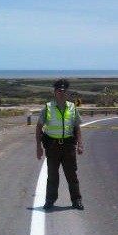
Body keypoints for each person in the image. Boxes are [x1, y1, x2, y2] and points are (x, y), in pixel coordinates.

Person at [36, 79, 84, 210]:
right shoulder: (47, 107)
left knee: (72, 175)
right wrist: (38, 147)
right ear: (54, 92)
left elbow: (77, 127)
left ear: (67, 92)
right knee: (52, 176)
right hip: (52, 147)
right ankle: (50, 201)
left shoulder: (72, 107)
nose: (62, 93)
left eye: (64, 91)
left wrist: (80, 144)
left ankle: (76, 200)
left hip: (68, 146)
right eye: (59, 90)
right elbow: (39, 127)